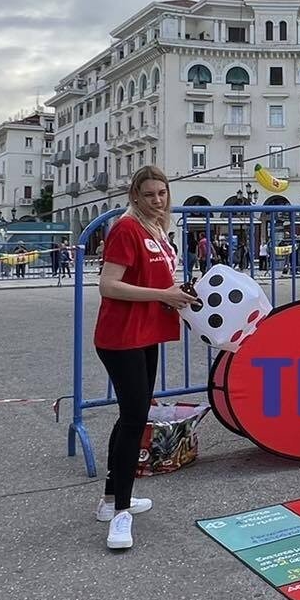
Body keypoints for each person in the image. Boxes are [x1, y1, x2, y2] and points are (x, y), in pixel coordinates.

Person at [92, 166, 193, 553]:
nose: (157, 200)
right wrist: (161, 296)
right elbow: (109, 285)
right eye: (149, 194)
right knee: (134, 420)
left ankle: (110, 499)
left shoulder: (158, 231)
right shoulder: (126, 228)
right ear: (135, 195)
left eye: (162, 193)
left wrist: (177, 294)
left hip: (146, 333)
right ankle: (120, 514)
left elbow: (157, 283)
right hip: (121, 336)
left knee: (132, 415)